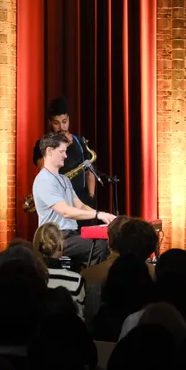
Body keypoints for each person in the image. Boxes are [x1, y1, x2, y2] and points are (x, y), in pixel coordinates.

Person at [33, 132, 116, 268]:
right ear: (49, 151)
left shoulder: (64, 179)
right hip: (54, 238)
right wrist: (98, 215)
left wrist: (104, 216)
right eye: (62, 151)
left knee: (106, 241)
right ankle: (92, 279)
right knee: (100, 246)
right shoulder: (44, 180)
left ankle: (88, 276)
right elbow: (65, 211)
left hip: (70, 234)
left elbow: (80, 206)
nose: (65, 156)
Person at [32, 96, 99, 208]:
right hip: (58, 199)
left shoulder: (80, 141)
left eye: (64, 122)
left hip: (81, 199)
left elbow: (89, 172)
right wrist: (63, 145)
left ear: (68, 119)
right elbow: (43, 168)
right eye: (56, 123)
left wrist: (91, 196)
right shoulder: (42, 143)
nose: (62, 127)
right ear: (50, 123)